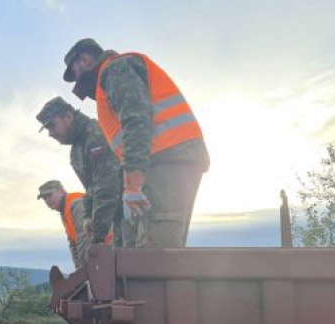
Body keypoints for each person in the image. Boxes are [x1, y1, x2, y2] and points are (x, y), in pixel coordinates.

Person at [62, 38, 210, 248]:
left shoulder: (115, 69)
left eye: (75, 73)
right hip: (166, 159)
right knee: (150, 245)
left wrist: (132, 184)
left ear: (85, 61)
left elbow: (136, 120)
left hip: (167, 158)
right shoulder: (111, 77)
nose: (77, 83)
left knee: (156, 249)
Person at [36, 96, 124, 246]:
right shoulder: (77, 148)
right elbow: (91, 189)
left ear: (68, 117)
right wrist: (88, 215)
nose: (50, 134)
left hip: (131, 211)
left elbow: (107, 187)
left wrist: (97, 236)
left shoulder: (95, 136)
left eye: (52, 125)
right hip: (118, 218)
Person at [37, 180, 89, 269]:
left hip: (106, 250)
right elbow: (73, 243)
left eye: (49, 195)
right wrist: (79, 268)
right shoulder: (64, 211)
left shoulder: (76, 203)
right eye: (44, 198)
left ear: (61, 191)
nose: (47, 200)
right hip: (95, 254)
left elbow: (83, 237)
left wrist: (84, 268)